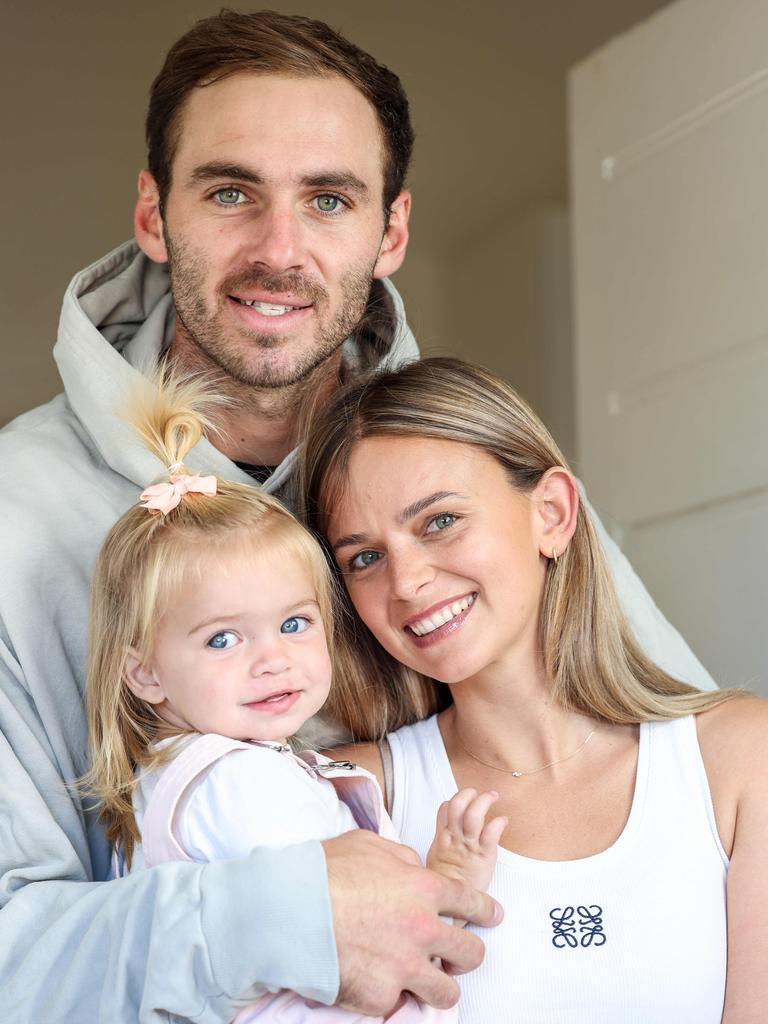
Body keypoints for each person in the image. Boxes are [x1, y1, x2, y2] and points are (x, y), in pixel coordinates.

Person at [0, 9, 710, 1021]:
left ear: (392, 231)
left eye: (328, 198)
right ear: (154, 215)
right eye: (231, 191)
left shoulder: (477, 474)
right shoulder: (13, 519)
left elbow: (666, 767)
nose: (278, 250)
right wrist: (280, 915)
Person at [299, 356, 768, 1024]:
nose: (405, 583)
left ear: (551, 512)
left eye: (438, 522)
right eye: (364, 558)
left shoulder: (742, 761)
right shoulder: (348, 796)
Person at [82, 374, 505, 1023]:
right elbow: (369, 940)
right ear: (145, 674)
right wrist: (447, 880)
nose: (272, 658)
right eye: (223, 638)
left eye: (294, 624)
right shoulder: (243, 784)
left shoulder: (180, 779)